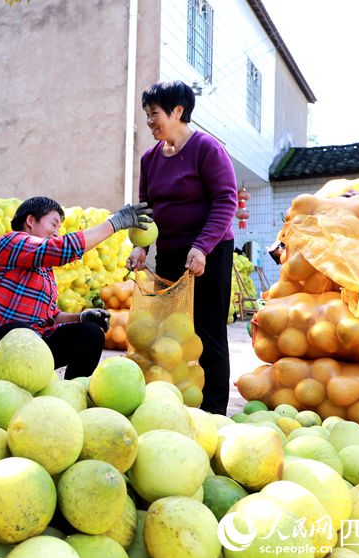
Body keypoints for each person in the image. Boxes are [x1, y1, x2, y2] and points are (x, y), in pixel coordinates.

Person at [126, 80, 238, 415]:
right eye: (147, 115)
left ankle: (215, 412)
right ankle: (174, 401)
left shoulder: (207, 149)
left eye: (154, 114)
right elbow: (147, 208)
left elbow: (225, 201)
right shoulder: (150, 159)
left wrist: (202, 247)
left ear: (177, 111)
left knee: (207, 331)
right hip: (173, 253)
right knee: (170, 333)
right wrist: (142, 248)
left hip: (211, 252)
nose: (149, 121)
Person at [0, 196, 152, 378]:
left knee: (90, 333)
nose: (56, 232)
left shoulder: (45, 271)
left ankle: (73, 391)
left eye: (59, 228)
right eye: (53, 224)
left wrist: (81, 317)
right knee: (22, 332)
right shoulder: (9, 242)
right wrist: (115, 223)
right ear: (30, 220)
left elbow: (49, 316)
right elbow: (62, 248)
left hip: (30, 346)